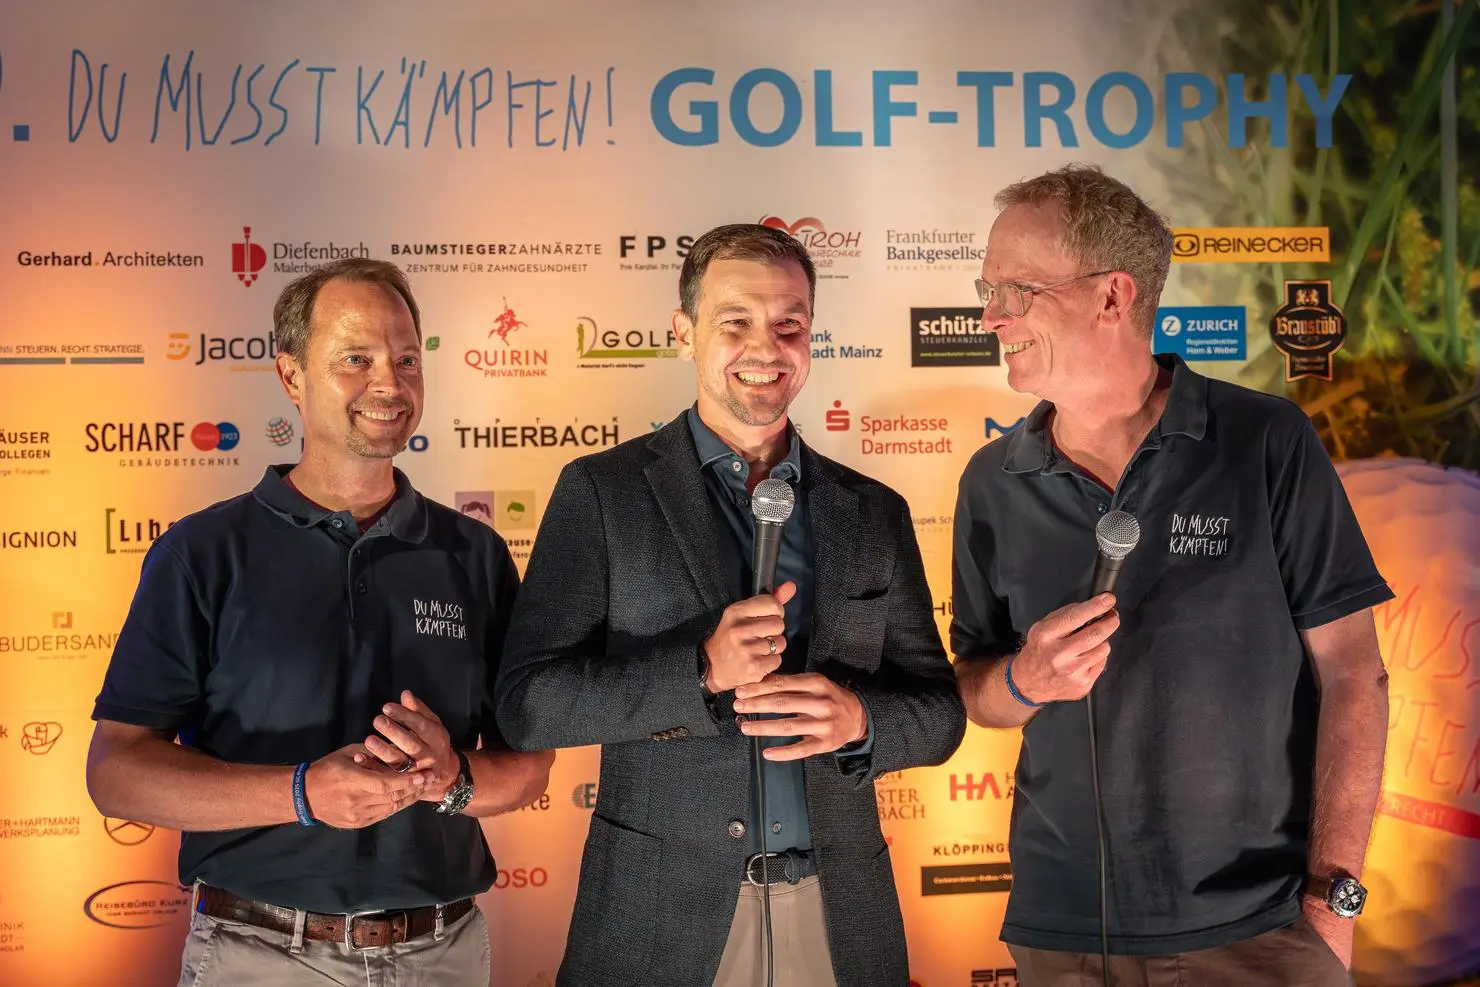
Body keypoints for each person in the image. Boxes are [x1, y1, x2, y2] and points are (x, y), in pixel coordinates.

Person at [951, 164, 1392, 986]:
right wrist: (1027, 676)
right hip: (1064, 931)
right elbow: (977, 688)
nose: (991, 314)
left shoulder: (1265, 439)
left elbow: (1354, 673)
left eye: (1016, 289)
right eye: (989, 287)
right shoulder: (990, 479)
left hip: (1261, 928)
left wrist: (1333, 900)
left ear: (1112, 297)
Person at [494, 223, 966, 987]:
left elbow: (940, 712)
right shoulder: (603, 492)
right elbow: (528, 705)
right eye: (735, 321)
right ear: (683, 333)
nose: (766, 347)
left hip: (839, 910)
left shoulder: (872, 507)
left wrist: (862, 721)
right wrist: (700, 672)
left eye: (790, 325)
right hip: (655, 918)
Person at [85, 258, 554, 986]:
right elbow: (117, 771)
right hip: (259, 953)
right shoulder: (203, 553)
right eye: (355, 360)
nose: (389, 384)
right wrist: (301, 792)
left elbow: (529, 766)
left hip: (444, 953)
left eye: (405, 358)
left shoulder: (475, 554)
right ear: (291, 375)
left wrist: (452, 777)